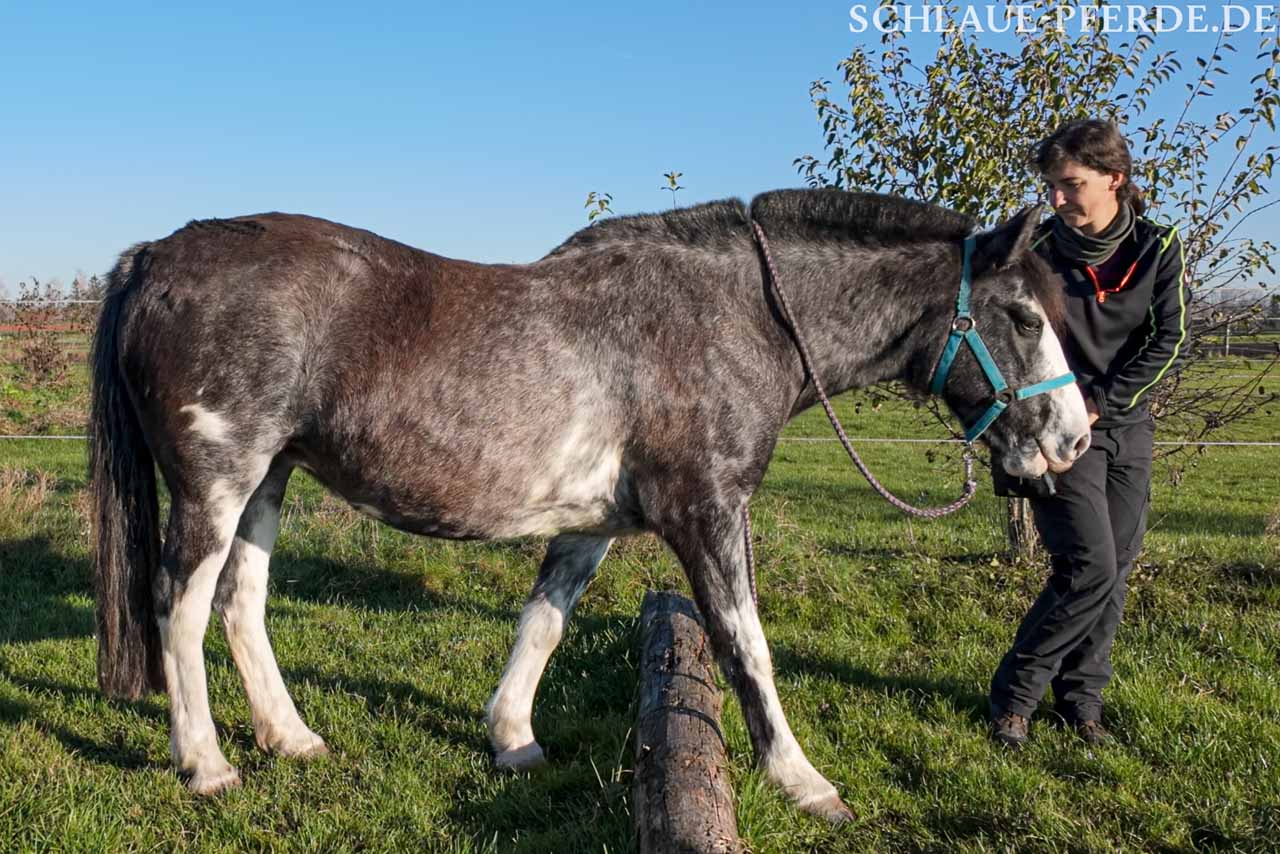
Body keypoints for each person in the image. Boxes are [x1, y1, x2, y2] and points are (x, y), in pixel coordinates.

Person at [988, 118, 1190, 748]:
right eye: (1051, 186)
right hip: (1053, 427)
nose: (1056, 199)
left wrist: (1105, 401)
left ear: (1114, 179)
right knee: (1088, 565)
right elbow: (1011, 342)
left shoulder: (1158, 247)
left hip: (1124, 424)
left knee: (1117, 566)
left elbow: (1168, 337)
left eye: (1070, 185)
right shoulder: (1036, 253)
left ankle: (1082, 703)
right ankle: (1014, 699)